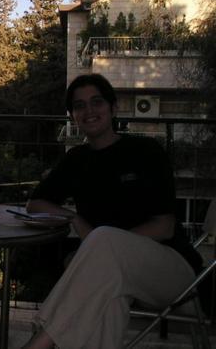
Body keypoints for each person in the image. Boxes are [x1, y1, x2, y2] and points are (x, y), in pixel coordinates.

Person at [22, 74, 202, 349]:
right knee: (107, 296)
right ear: (73, 116)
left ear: (113, 107)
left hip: (172, 271)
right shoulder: (76, 160)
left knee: (104, 248)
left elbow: (164, 227)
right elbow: (36, 204)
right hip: (113, 272)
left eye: (97, 102)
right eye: (80, 106)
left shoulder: (145, 151)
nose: (89, 111)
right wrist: (76, 219)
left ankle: (38, 344)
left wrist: (100, 244)